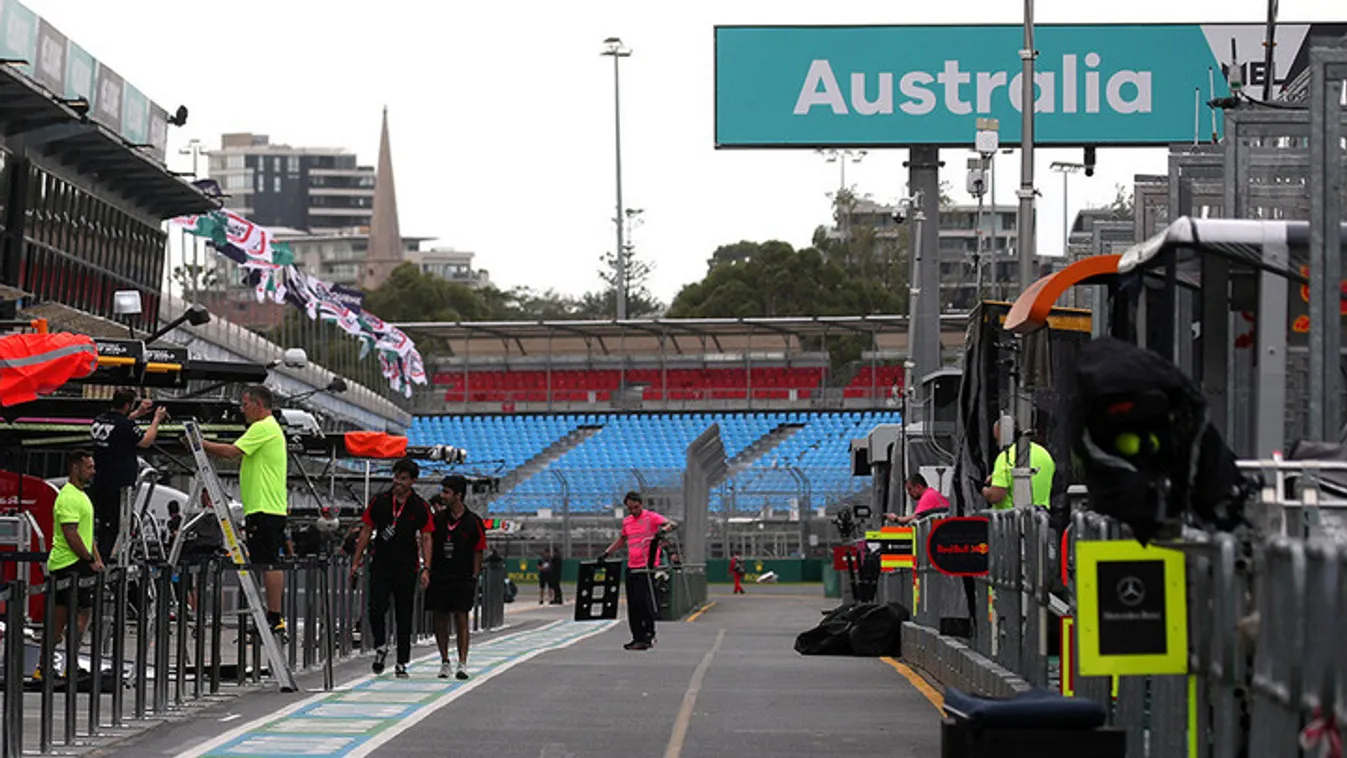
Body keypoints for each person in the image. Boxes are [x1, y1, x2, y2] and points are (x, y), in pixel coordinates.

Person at [197, 385, 289, 640]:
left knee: (269, 561)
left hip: (265, 507)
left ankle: (274, 617)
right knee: (263, 560)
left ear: (259, 405)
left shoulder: (263, 428)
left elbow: (230, 452)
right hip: (263, 507)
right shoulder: (265, 430)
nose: (242, 409)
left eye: (245, 404)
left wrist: (199, 443)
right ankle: (271, 615)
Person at [349, 457, 433, 678]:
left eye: (404, 479)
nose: (398, 482)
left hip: (407, 566)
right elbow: (366, 531)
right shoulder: (380, 501)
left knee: (404, 614)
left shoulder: (420, 506)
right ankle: (380, 646)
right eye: (396, 477)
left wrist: (426, 568)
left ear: (413, 481)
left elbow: (426, 537)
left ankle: (402, 661)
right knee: (376, 608)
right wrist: (356, 561)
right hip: (381, 564)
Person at [43, 450, 104, 680]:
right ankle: (57, 664)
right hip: (69, 563)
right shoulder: (68, 496)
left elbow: (88, 535)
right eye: (89, 467)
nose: (93, 471)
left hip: (78, 562)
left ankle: (55, 665)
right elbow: (71, 534)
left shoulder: (82, 496)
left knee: (68, 616)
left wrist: (97, 558)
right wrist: (88, 560)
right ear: (76, 468)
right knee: (74, 615)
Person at [89, 388, 167, 561]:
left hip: (100, 480)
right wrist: (156, 420)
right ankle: (102, 559)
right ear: (127, 405)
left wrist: (138, 413)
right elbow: (145, 442)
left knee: (102, 523)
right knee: (115, 526)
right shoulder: (125, 426)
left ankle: (98, 556)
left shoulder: (99, 420)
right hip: (119, 484)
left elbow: (119, 425)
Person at [598, 491, 677, 651]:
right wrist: (607, 553)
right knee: (632, 604)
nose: (633, 511)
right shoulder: (627, 522)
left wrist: (663, 530)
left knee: (643, 601)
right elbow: (622, 539)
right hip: (632, 566)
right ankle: (637, 637)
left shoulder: (651, 517)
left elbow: (672, 524)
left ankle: (648, 634)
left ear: (640, 504)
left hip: (646, 566)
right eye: (630, 508)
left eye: (635, 507)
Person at [427, 475, 487, 680]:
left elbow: (479, 551)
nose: (443, 496)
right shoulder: (437, 520)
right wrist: (427, 569)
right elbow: (428, 542)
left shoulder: (473, 522)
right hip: (440, 575)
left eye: (447, 492)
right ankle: (444, 661)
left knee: (461, 617)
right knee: (440, 618)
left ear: (458, 495)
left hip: (462, 577)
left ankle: (462, 662)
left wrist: (474, 576)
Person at [982, 420, 1056, 510]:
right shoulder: (1045, 454)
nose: (997, 444)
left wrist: (983, 490)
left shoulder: (1006, 457)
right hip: (1040, 517)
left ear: (1005, 434)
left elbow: (996, 496)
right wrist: (997, 478)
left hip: (1011, 519)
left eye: (997, 439)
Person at [886, 473, 950, 525]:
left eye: (910, 489)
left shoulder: (928, 496)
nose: (909, 493)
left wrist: (896, 518)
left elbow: (915, 517)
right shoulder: (933, 493)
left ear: (918, 487)